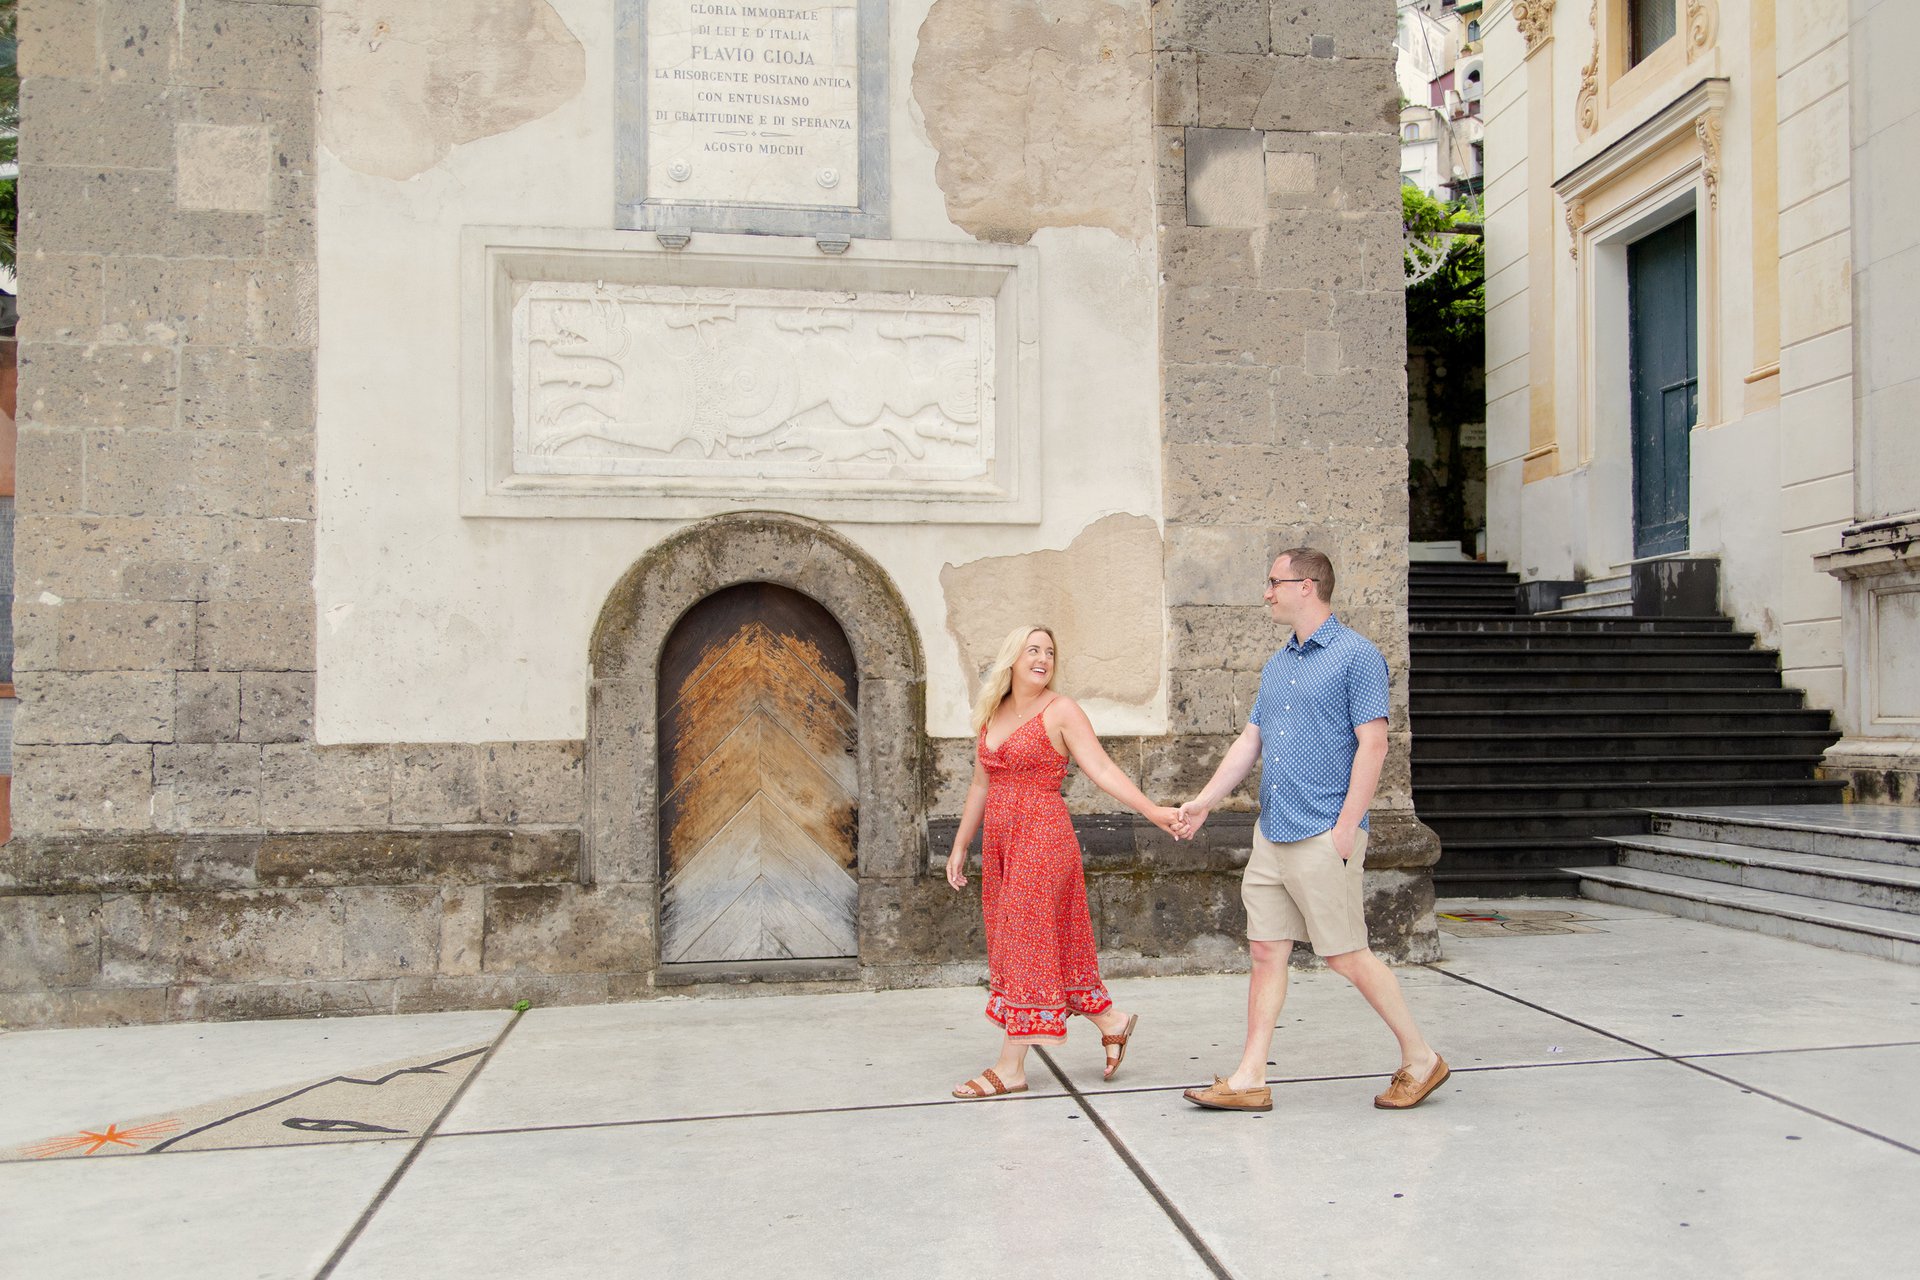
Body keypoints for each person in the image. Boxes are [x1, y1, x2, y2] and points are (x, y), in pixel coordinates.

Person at [1172, 548, 1448, 1113]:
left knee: (1346, 954)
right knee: (1266, 952)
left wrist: (1347, 827)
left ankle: (1421, 1058)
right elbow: (1251, 742)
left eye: (1275, 582)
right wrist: (1201, 803)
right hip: (1272, 834)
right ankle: (1250, 1077)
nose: (1267, 593)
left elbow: (1374, 744)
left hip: (1325, 832)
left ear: (1309, 585)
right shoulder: (1278, 665)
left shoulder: (1357, 657)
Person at [945, 625, 1183, 1100]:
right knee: (1041, 945)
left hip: (1042, 838)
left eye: (1050, 652)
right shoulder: (992, 714)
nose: (1043, 658)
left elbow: (1102, 768)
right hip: (1002, 844)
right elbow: (979, 786)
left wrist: (1153, 810)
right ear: (1012, 658)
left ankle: (1010, 1067)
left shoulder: (1061, 711)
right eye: (1033, 650)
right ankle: (1112, 1022)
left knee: (1023, 942)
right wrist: (959, 845)